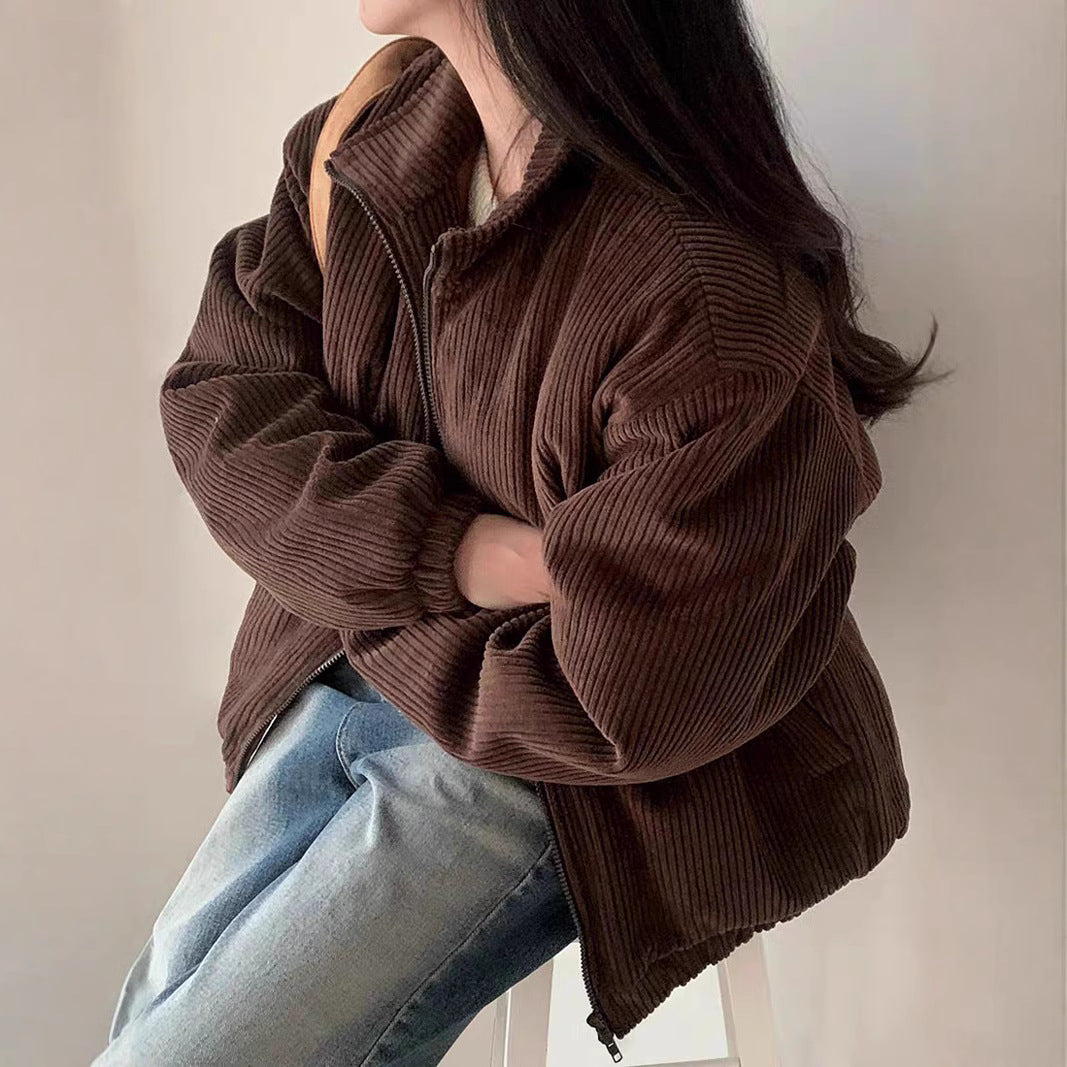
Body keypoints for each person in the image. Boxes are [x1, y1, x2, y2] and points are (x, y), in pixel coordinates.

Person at [92, 1, 945, 1064]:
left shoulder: (698, 284)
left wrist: (359, 574)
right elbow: (224, 404)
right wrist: (458, 552)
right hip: (336, 679)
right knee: (149, 1041)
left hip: (576, 773)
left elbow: (629, 688)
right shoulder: (361, 150)